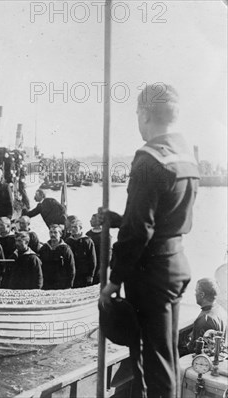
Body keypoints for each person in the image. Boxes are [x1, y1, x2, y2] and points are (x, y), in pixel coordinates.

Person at [99, 84, 200, 398]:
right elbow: (164, 217)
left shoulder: (148, 160)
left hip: (150, 273)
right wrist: (118, 219)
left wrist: (114, 281)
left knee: (149, 363)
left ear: (143, 114)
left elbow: (138, 232)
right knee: (164, 355)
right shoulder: (185, 156)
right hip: (174, 263)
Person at [183, 278, 226, 354]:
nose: (194, 294)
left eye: (196, 291)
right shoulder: (221, 310)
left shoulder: (204, 319)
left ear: (202, 295)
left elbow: (194, 351)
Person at [39, 224, 75, 289]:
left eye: (55, 232)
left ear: (60, 234)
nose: (52, 234)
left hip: (61, 284)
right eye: (51, 232)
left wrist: (69, 285)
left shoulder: (65, 249)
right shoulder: (44, 248)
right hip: (47, 283)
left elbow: (71, 268)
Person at [66, 218, 97, 288]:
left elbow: (92, 259)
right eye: (71, 227)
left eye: (75, 227)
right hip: (72, 273)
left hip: (84, 274)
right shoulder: (68, 241)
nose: (73, 229)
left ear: (80, 228)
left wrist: (91, 275)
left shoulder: (87, 241)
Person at [85, 213, 110, 284]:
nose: (90, 221)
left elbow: (107, 253)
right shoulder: (88, 234)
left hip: (100, 265)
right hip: (90, 265)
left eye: (93, 219)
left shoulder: (105, 235)